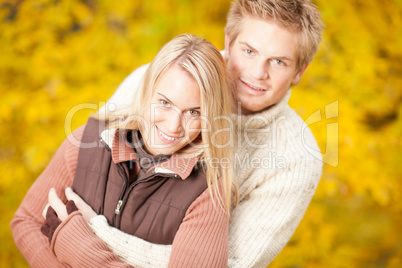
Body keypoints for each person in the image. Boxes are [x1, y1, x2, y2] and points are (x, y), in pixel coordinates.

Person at [92, 0, 325, 267]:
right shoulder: (153, 80)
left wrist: (91, 234)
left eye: (279, 62)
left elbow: (226, 263)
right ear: (228, 40)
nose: (258, 73)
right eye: (249, 51)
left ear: (300, 70)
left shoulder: (297, 159)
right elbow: (75, 175)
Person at [11, 34, 237, 267]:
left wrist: (79, 247)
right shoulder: (87, 141)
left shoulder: (207, 191)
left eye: (194, 112)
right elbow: (26, 221)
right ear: (147, 90)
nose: (173, 126)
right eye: (165, 103)